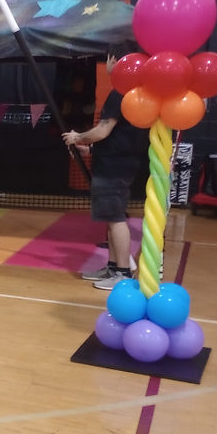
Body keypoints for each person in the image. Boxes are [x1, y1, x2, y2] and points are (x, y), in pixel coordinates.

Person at [62, 41, 148, 290]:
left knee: (115, 218)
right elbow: (119, 137)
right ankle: (113, 267)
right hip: (117, 164)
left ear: (115, 60)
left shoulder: (120, 93)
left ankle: (122, 273)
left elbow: (102, 131)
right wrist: (89, 149)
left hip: (114, 169)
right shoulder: (134, 93)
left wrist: (78, 137)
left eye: (107, 59)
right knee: (111, 218)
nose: (107, 64)